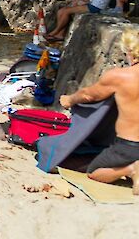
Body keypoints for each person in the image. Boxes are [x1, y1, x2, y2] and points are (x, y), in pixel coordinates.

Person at [59, 29, 139, 191]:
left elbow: (88, 95)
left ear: (131, 52)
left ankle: (131, 169)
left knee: (94, 171)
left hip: (130, 147)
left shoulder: (120, 77)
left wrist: (69, 100)